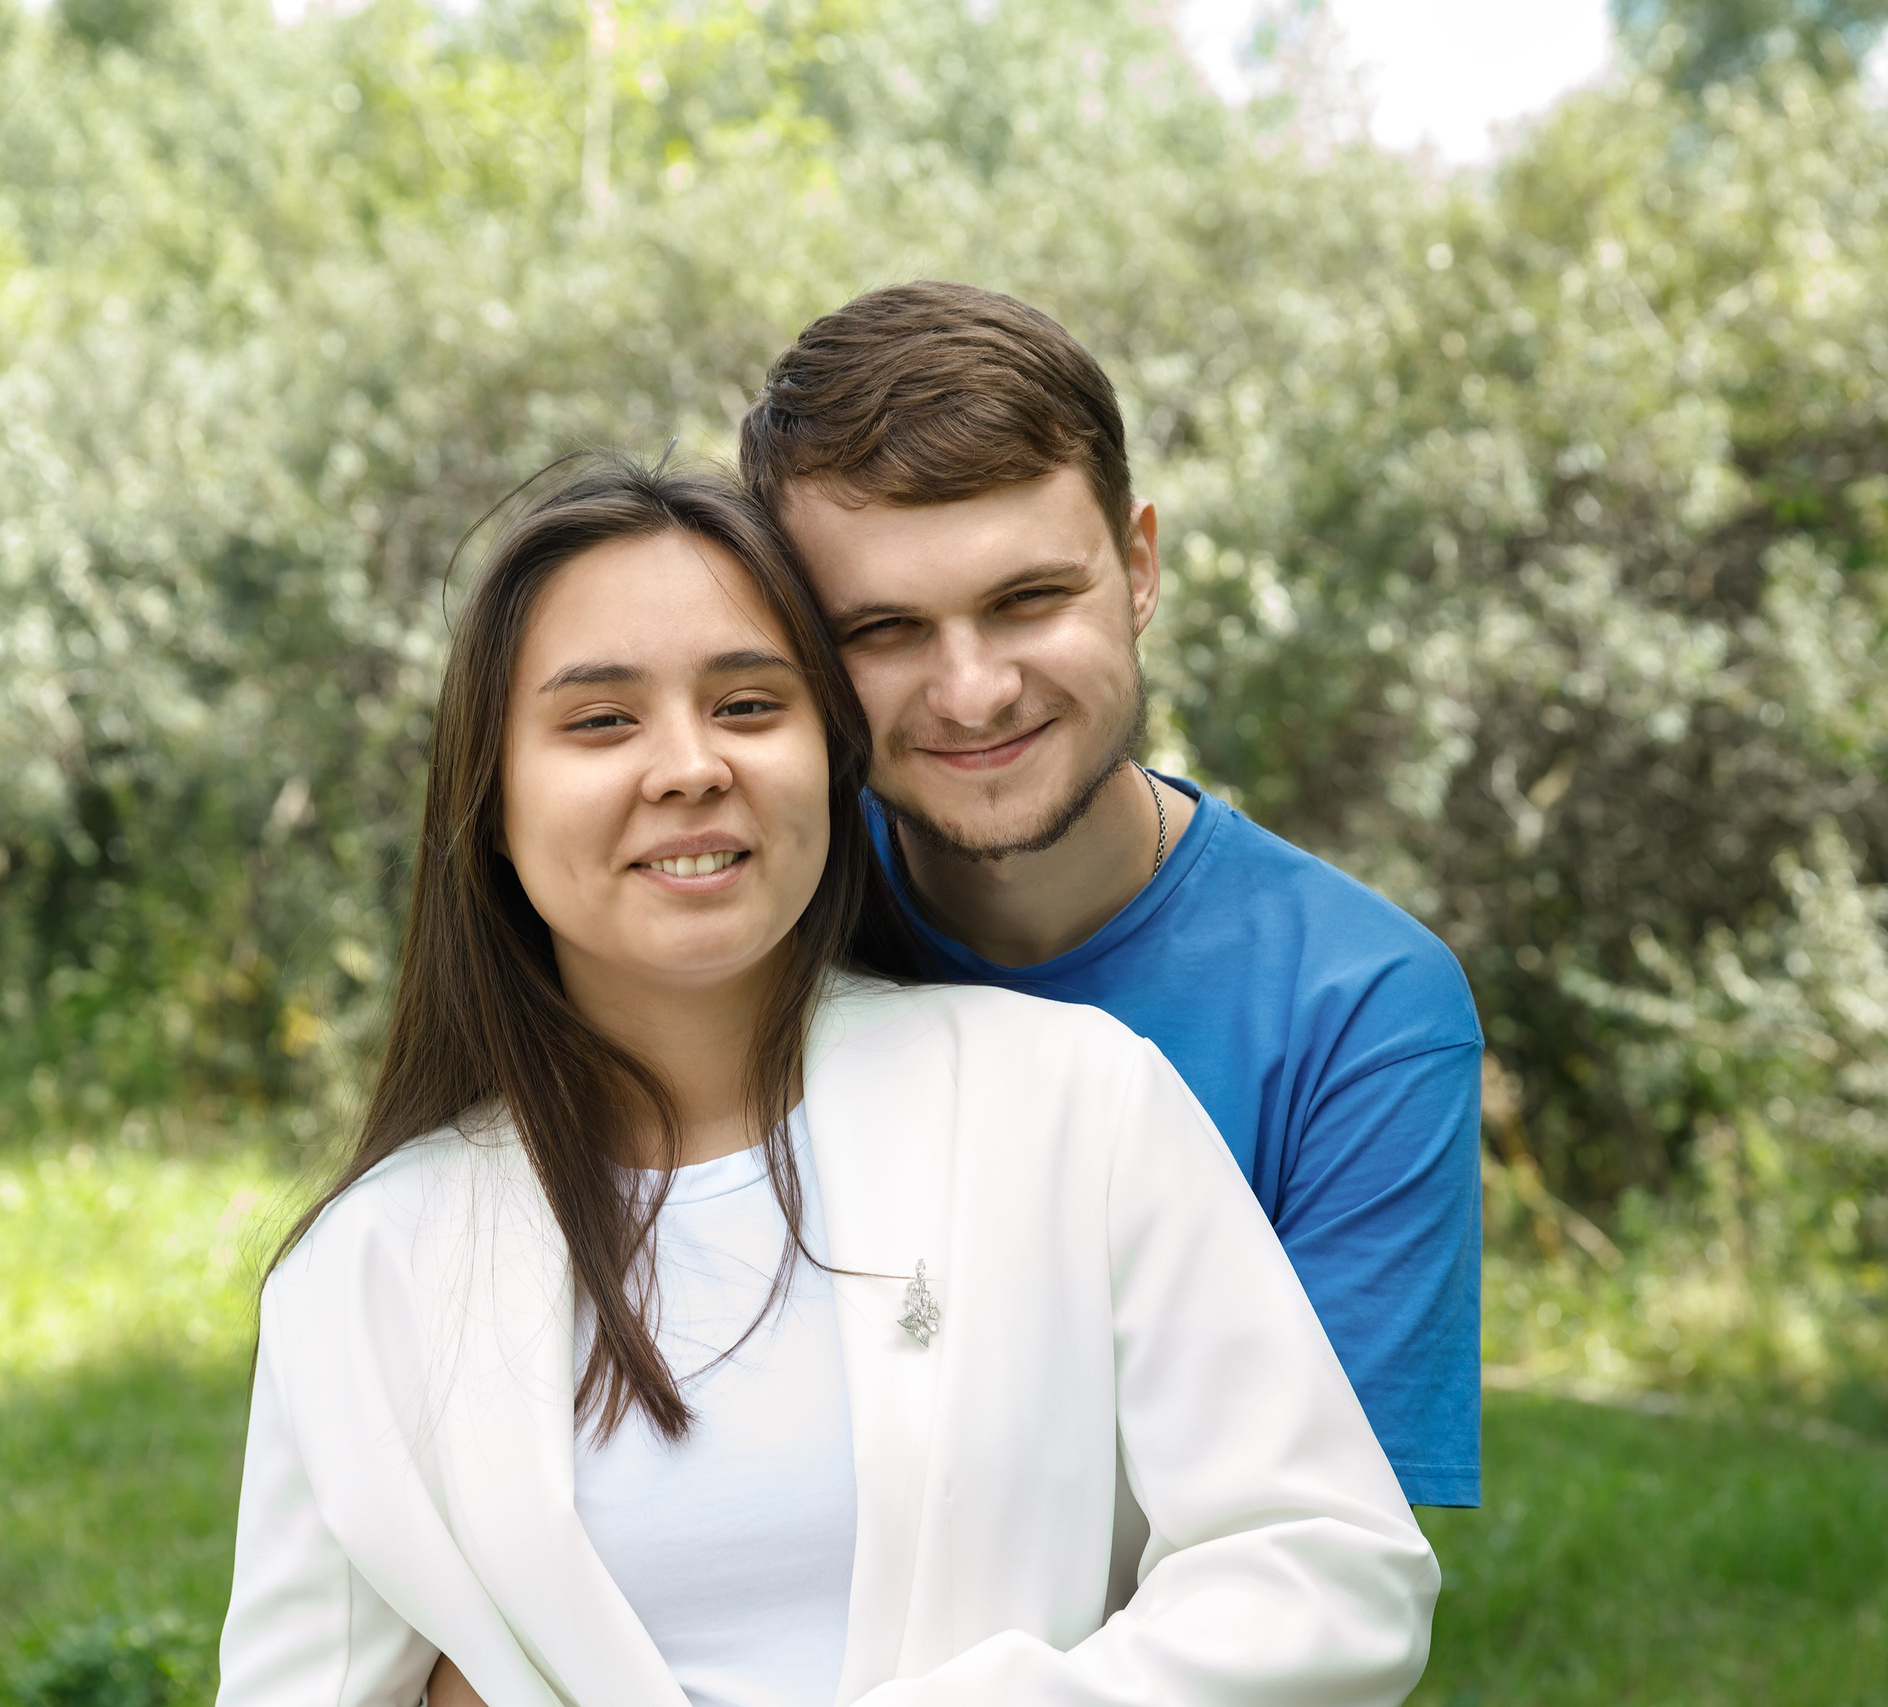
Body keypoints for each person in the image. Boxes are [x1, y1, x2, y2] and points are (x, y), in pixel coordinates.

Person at [216, 455, 1437, 1707]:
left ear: (831, 760)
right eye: (600, 720)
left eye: (748, 705)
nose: (688, 766)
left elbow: (1325, 1576)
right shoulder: (367, 1273)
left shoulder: (1073, 1104)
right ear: (489, 799)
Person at [738, 280, 1486, 1511]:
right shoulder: (740, 929)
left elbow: (1326, 1583)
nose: (971, 692)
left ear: (1137, 570)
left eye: (1029, 600)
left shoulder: (1359, 1011)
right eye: (882, 630)